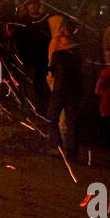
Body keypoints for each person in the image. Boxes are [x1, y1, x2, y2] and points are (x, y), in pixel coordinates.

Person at [45, 18, 83, 160]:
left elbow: (51, 69)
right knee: (71, 120)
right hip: (73, 88)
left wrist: (50, 80)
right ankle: (72, 152)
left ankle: (57, 147)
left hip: (60, 88)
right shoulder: (76, 46)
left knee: (52, 116)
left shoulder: (56, 46)